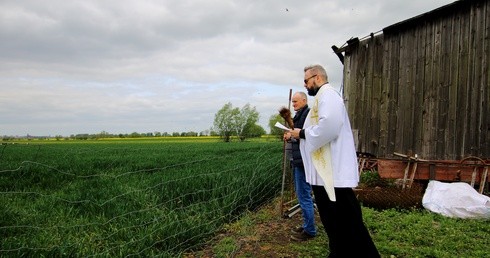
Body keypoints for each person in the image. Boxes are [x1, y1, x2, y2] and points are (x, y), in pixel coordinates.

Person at [290, 64, 380, 257]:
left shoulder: (328, 96)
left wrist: (302, 133)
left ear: (318, 78)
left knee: (347, 220)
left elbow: (329, 127)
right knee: (335, 221)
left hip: (332, 174)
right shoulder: (323, 97)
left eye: (306, 80)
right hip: (326, 173)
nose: (304, 84)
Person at [283, 92, 316, 241]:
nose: (293, 104)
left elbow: (305, 137)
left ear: (304, 100)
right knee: (303, 194)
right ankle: (307, 225)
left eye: (296, 101)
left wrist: (292, 136)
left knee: (304, 195)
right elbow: (298, 135)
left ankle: (309, 231)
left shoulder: (306, 115)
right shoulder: (300, 115)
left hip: (303, 161)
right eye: (292, 102)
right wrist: (290, 135)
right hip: (299, 159)